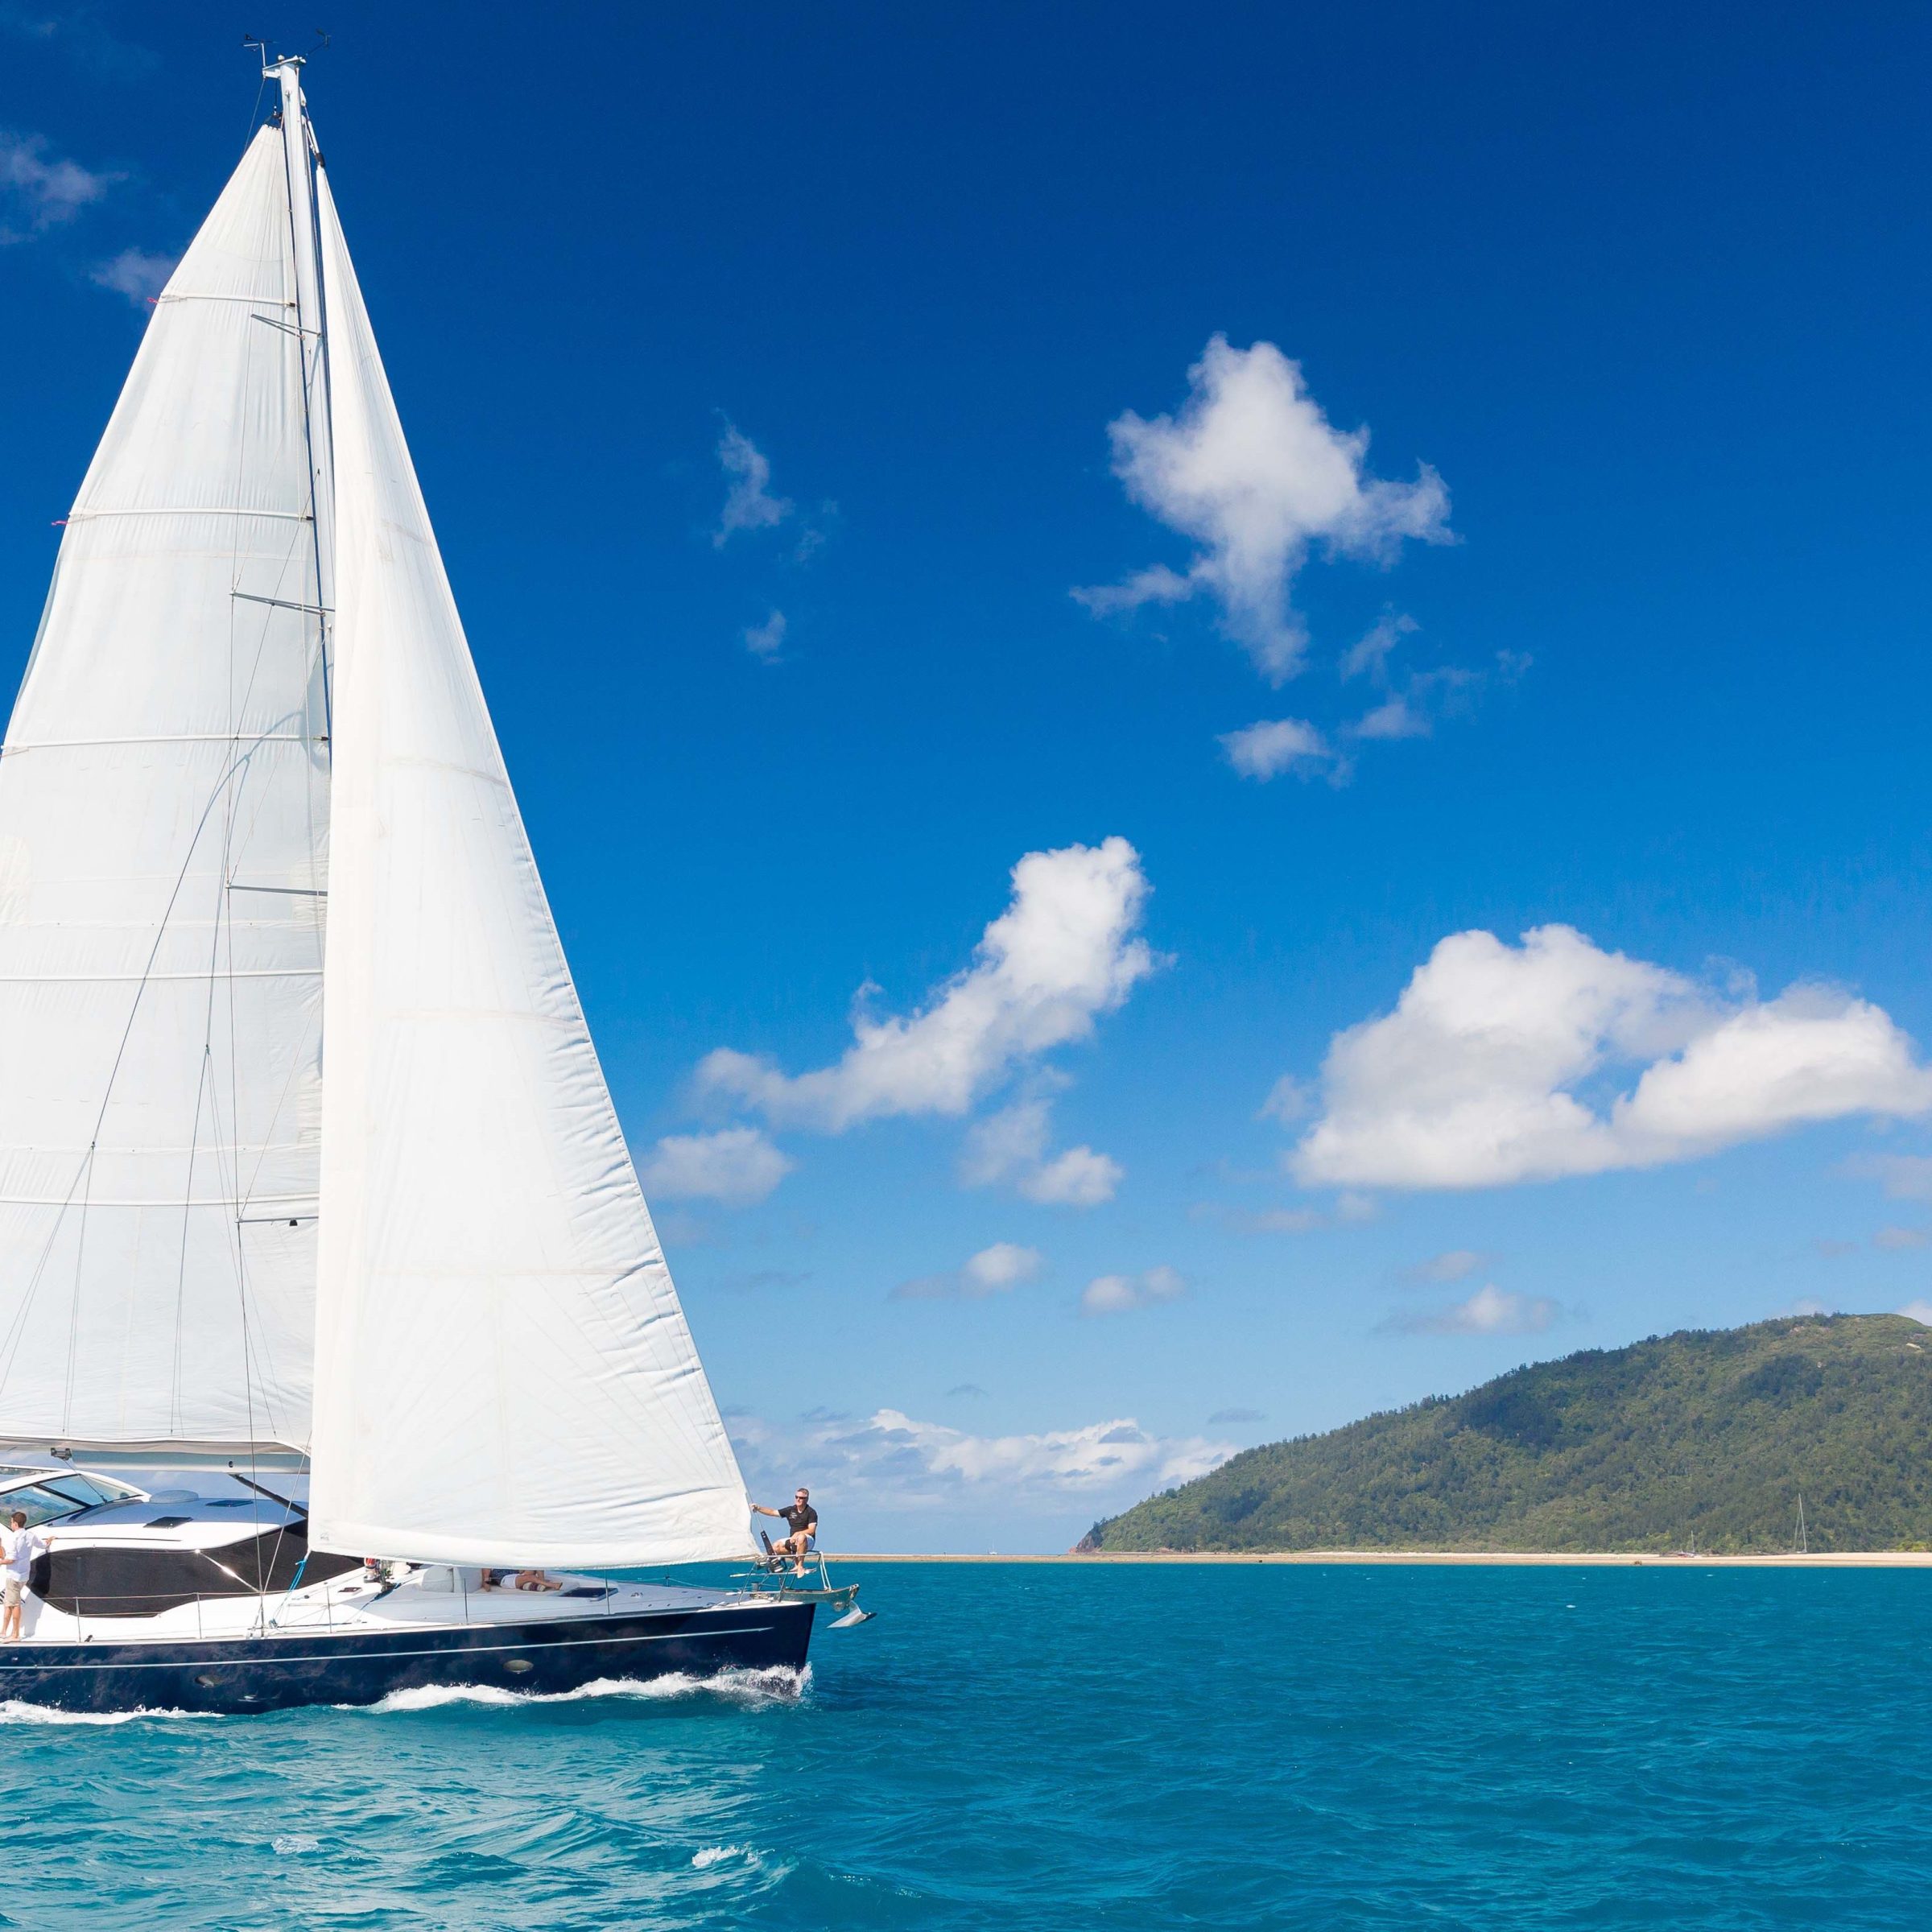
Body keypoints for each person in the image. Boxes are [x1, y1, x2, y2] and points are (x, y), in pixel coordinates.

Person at [0, 1510, 50, 1642]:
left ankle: (15, 1634)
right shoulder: (30, 1535)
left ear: (15, 1523)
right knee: (9, 1602)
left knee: (14, 1604)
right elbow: (43, 1545)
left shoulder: (13, 1538)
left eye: (11, 1522)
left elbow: (11, 1559)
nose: (11, 1524)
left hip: (14, 1576)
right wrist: (49, 1541)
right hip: (24, 1576)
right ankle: (3, 1631)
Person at [753, 1488, 818, 1577]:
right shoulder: (790, 1510)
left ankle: (800, 1566)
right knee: (775, 1546)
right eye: (796, 1497)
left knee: (801, 1537)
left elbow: (811, 1530)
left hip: (808, 1541)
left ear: (806, 1499)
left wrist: (798, 1533)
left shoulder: (811, 1512)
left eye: (801, 1498)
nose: (798, 1499)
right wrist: (758, 1508)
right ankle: (789, 1563)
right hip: (793, 1540)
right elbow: (773, 1512)